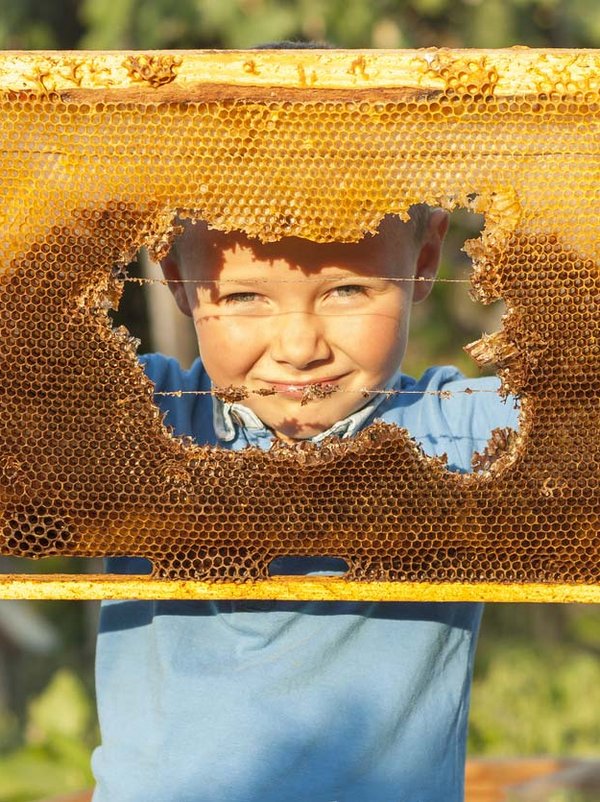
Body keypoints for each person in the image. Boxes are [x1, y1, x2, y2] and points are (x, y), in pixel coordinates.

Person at [91, 209, 518, 802]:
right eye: (243, 297)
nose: (299, 348)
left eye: (347, 290)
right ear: (174, 278)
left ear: (424, 261)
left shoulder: (464, 430)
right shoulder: (133, 418)